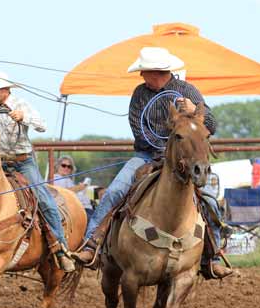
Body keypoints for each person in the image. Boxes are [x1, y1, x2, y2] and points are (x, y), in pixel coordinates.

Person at [74, 47, 232, 278]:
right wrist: (164, 151)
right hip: (146, 156)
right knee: (115, 191)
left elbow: (211, 125)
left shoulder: (188, 91)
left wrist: (193, 110)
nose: (142, 77)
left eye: (144, 72)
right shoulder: (140, 94)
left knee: (209, 199)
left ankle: (213, 256)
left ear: (157, 72)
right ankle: (91, 245)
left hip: (183, 159)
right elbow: (139, 131)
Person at [0, 67, 76, 273]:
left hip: (23, 161)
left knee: (44, 199)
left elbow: (42, 125)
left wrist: (23, 117)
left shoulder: (21, 105)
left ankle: (60, 248)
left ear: (5, 89)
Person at [53, 155, 94, 220]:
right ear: (58, 166)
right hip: (76, 211)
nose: (66, 168)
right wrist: (79, 187)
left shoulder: (68, 180)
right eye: (63, 165)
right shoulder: (55, 178)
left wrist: (81, 188)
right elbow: (62, 192)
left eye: (69, 166)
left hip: (84, 208)